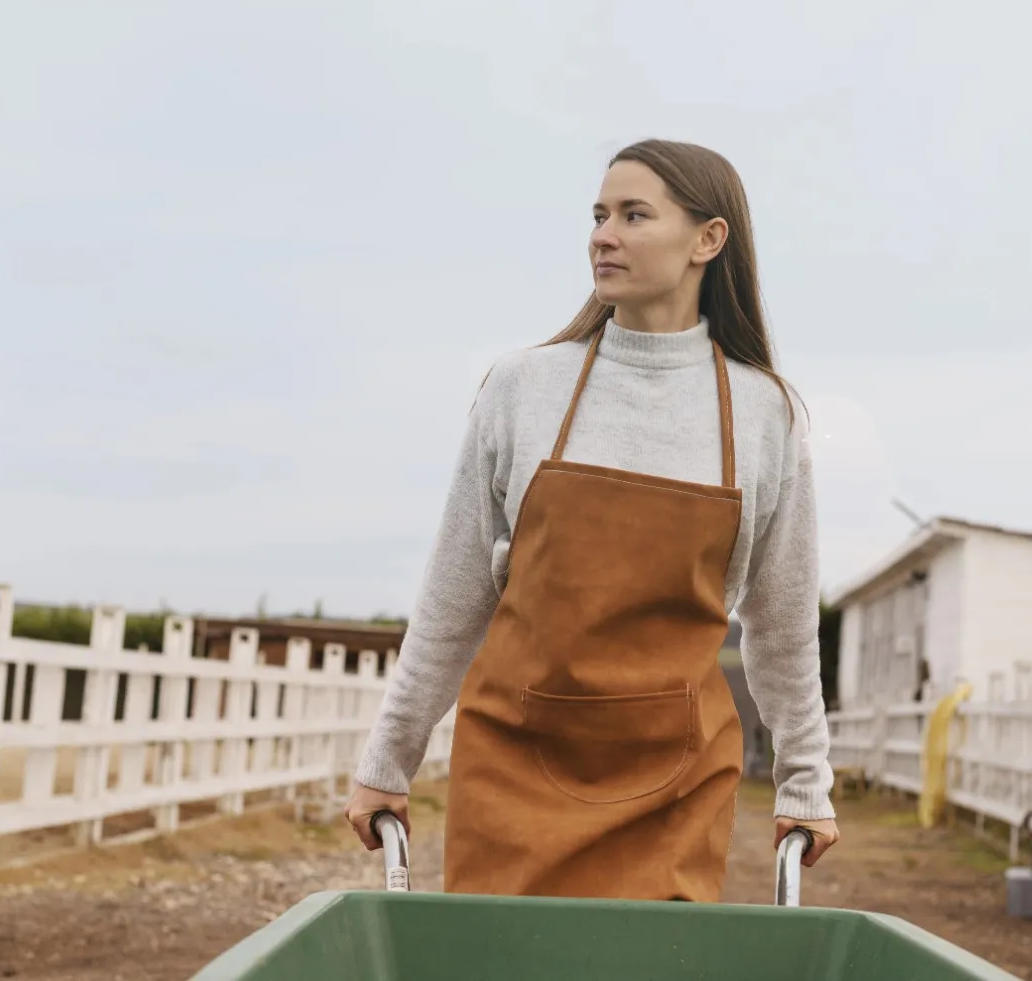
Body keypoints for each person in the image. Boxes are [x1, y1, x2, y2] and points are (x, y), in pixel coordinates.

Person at [343, 138, 839, 901]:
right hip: (512, 766)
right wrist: (388, 760)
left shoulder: (765, 415)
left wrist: (805, 781)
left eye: (634, 215)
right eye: (599, 215)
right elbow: (453, 598)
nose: (603, 236)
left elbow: (782, 625)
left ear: (708, 239)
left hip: (674, 783)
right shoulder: (522, 389)